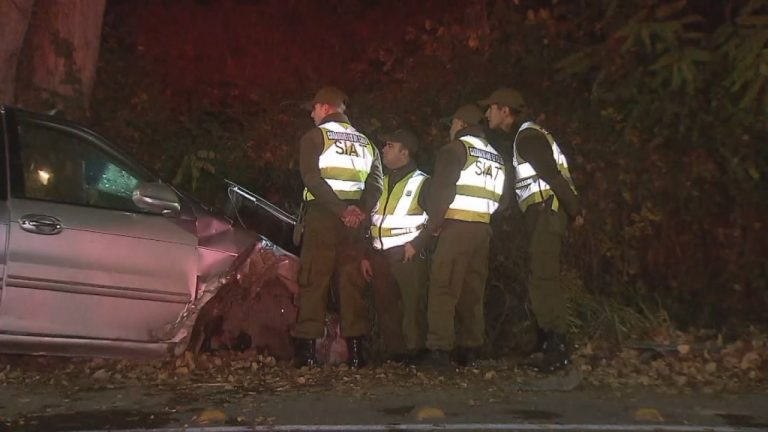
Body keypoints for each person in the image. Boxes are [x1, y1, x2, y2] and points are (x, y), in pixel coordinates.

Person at [479, 87, 584, 372]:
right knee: (539, 277)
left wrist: (575, 210)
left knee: (544, 278)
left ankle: (557, 347)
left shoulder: (528, 138)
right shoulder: (525, 137)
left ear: (504, 110)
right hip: (542, 215)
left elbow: (552, 176)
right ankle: (546, 342)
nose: (487, 113)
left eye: (491, 108)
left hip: (546, 213)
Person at [292, 86, 383, 369]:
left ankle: (307, 355)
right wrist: (359, 211)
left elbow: (311, 179)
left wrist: (341, 210)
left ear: (325, 107)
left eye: (313, 108)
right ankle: (356, 355)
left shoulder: (314, 137)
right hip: (354, 222)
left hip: (324, 216)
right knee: (351, 283)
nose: (311, 114)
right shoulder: (367, 143)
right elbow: (376, 185)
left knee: (314, 280)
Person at [423, 104, 506, 368]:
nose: (450, 129)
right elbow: (504, 200)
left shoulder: (454, 150)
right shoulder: (495, 156)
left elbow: (442, 192)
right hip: (483, 230)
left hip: (456, 228)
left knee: (444, 287)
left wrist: (434, 224)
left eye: (452, 125)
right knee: (473, 291)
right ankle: (471, 349)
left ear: (460, 124)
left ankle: (440, 350)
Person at [360, 129, 430, 364]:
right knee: (385, 305)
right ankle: (396, 354)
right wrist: (366, 254)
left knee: (412, 305)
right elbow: (370, 220)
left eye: (390, 145)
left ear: (404, 152)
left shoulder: (422, 182)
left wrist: (417, 244)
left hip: (406, 254)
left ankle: (415, 352)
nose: (384, 150)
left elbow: (437, 220)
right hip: (380, 254)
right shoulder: (381, 182)